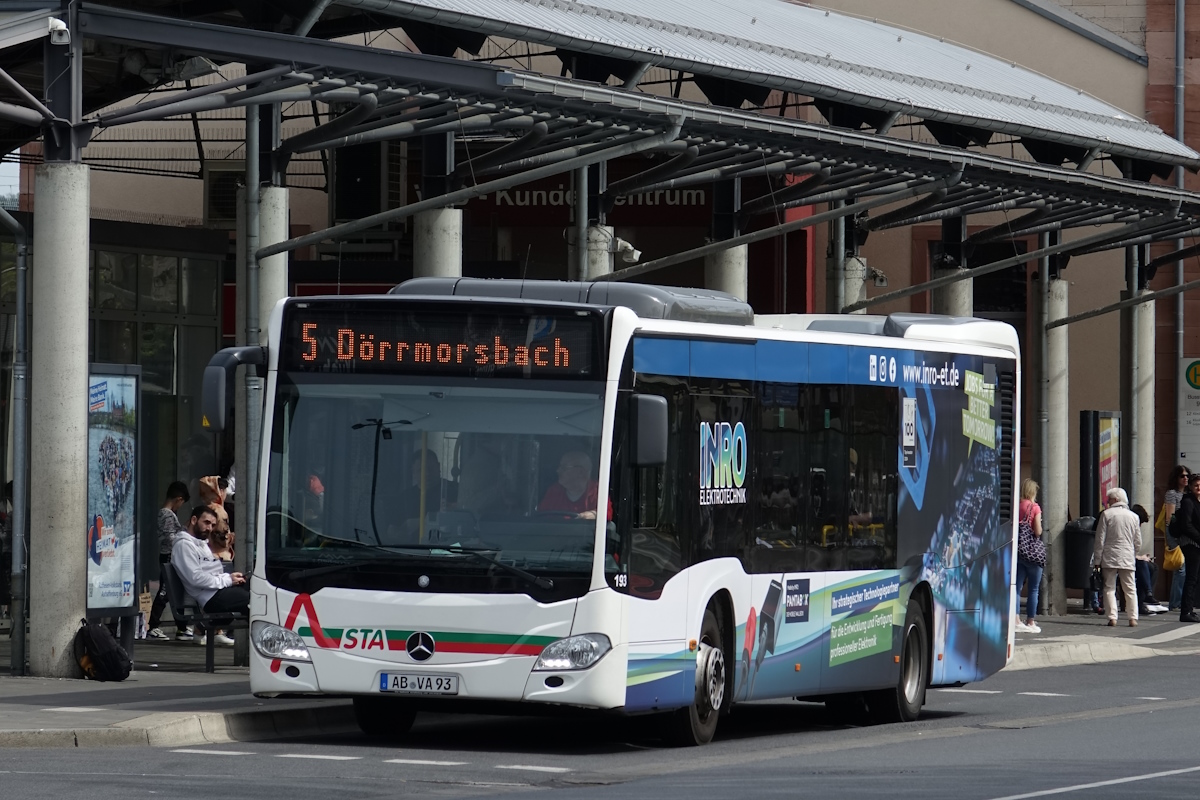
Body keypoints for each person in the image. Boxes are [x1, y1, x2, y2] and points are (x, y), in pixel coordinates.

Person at [172, 505, 249, 647]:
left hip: (218, 592)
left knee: (258, 588)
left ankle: (205, 627)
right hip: (210, 598)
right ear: (194, 520)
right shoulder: (184, 545)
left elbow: (210, 573)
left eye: (212, 525)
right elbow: (195, 578)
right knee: (255, 601)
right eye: (206, 523)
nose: (209, 528)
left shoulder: (201, 544)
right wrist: (227, 580)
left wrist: (231, 577)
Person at [146, 481, 190, 641]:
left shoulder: (167, 514)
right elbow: (170, 538)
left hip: (170, 557)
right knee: (165, 592)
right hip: (168, 557)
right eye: (182, 503)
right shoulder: (166, 514)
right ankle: (153, 626)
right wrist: (184, 532)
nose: (180, 506)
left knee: (174, 593)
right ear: (178, 499)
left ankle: (182, 627)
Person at [1093, 488, 1142, 627]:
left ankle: (1112, 617)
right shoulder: (1134, 517)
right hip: (1127, 556)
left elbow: (1100, 539)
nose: (1107, 502)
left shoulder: (1107, 515)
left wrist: (1097, 560)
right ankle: (1133, 618)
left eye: (1109, 500)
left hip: (1109, 556)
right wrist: (1133, 552)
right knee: (1130, 588)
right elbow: (1138, 541)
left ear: (1115, 500)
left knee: (1109, 588)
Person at [537, 450, 611, 520]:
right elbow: (541, 517)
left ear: (581, 472)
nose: (558, 470)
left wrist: (594, 515)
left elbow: (607, 514)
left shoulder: (596, 491)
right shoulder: (554, 491)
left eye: (564, 467)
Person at [1014, 478, 1045, 634]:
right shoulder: (1035, 507)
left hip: (1019, 552)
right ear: (1033, 491)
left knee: (1016, 587)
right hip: (1033, 555)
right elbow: (1038, 531)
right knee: (1033, 589)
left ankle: (1016, 619)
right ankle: (1030, 621)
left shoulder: (1017, 506)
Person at [1129, 504, 1168, 615]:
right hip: (1122, 560)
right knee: (1142, 565)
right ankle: (1147, 595)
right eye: (1140, 523)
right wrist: (1140, 557)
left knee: (1153, 567)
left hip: (1129, 558)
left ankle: (1147, 595)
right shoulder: (1129, 528)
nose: (1140, 526)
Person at [206, 515, 236, 648]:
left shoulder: (201, 545)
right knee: (251, 598)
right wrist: (228, 579)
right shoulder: (191, 545)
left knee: (250, 588)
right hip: (211, 594)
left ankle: (216, 629)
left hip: (219, 585)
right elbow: (200, 578)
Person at [1163, 465, 1189, 611]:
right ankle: (1175, 602)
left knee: (1183, 569)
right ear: (1176, 478)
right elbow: (1170, 518)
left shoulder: (1188, 494)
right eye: (1182, 476)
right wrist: (1173, 537)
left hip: (1186, 535)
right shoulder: (1172, 494)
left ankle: (1178, 601)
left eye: (1187, 476)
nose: (1185, 478)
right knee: (1180, 568)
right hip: (1175, 534)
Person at [1174, 473, 1200, 623]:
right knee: (1191, 577)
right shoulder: (1188, 501)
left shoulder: (1197, 501)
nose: (1198, 488)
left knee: (1195, 578)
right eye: (1196, 485)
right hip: (1190, 543)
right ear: (1190, 487)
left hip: (1197, 543)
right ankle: (1185, 611)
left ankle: (1190, 609)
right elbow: (1187, 525)